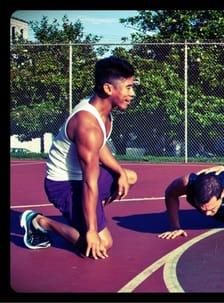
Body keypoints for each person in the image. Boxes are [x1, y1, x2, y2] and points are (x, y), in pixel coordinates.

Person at [20, 56, 138, 260]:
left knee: (130, 177)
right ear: (108, 89)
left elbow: (99, 148)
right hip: (63, 184)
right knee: (101, 244)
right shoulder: (86, 125)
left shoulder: (103, 111)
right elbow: (89, 182)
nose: (132, 93)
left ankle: (86, 213)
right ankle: (39, 221)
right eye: (128, 87)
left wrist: (119, 172)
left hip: (80, 179)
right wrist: (91, 231)